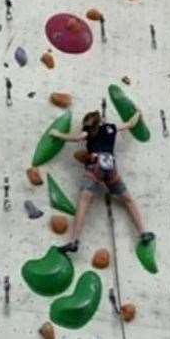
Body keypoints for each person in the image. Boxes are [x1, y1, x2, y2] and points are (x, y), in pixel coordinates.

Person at [49, 109, 154, 254]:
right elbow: (130, 124)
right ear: (101, 120)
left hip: (95, 165)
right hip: (110, 166)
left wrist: (57, 134)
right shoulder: (111, 128)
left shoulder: (89, 132)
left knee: (84, 202)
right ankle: (143, 232)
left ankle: (74, 241)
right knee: (128, 200)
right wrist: (137, 113)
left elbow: (75, 138)